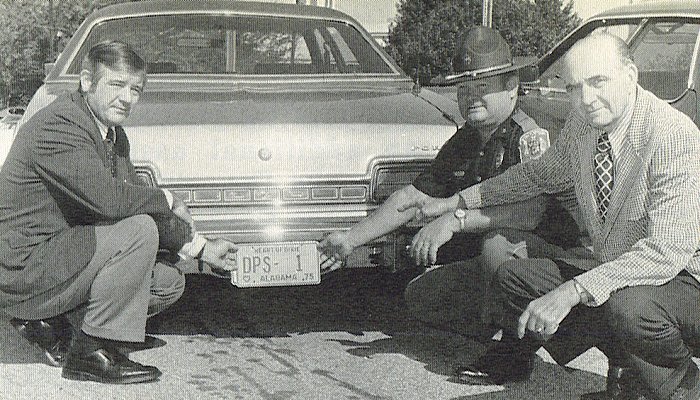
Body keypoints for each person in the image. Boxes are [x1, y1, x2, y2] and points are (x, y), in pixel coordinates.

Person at [406, 33, 700, 400]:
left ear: (630, 74)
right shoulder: (585, 124)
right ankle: (636, 375)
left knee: (630, 307)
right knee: (515, 278)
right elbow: (536, 175)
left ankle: (684, 387)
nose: (587, 99)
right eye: (575, 87)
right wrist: (456, 203)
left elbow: (665, 252)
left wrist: (573, 291)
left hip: (685, 281)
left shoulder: (673, 136)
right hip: (624, 272)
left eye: (598, 82)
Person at [0, 41, 238, 384]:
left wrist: (201, 248)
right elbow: (111, 203)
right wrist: (170, 198)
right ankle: (91, 352)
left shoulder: (113, 134)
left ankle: (54, 324)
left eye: (136, 89)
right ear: (86, 81)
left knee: (166, 283)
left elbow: (131, 202)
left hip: (60, 253)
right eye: (116, 84)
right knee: (138, 231)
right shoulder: (59, 126)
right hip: (23, 266)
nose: (127, 98)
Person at [319, 26, 579, 335]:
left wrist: (454, 220)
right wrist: (350, 240)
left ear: (512, 86)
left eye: (481, 86)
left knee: (496, 247)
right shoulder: (468, 137)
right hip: (500, 254)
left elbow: (529, 215)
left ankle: (517, 347)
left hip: (554, 257)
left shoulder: (531, 135)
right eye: (463, 88)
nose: (471, 96)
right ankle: (493, 321)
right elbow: (412, 197)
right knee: (422, 297)